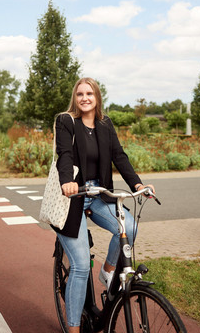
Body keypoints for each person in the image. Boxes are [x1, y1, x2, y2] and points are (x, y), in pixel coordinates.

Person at [54, 77, 155, 332]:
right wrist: (67, 181)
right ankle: (74, 329)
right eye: (80, 94)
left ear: (97, 97)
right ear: (75, 98)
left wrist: (138, 185)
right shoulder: (66, 121)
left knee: (129, 228)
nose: (85, 98)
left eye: (89, 93)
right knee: (78, 265)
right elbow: (64, 155)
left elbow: (119, 155)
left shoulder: (105, 124)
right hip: (72, 197)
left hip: (99, 194)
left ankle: (108, 271)